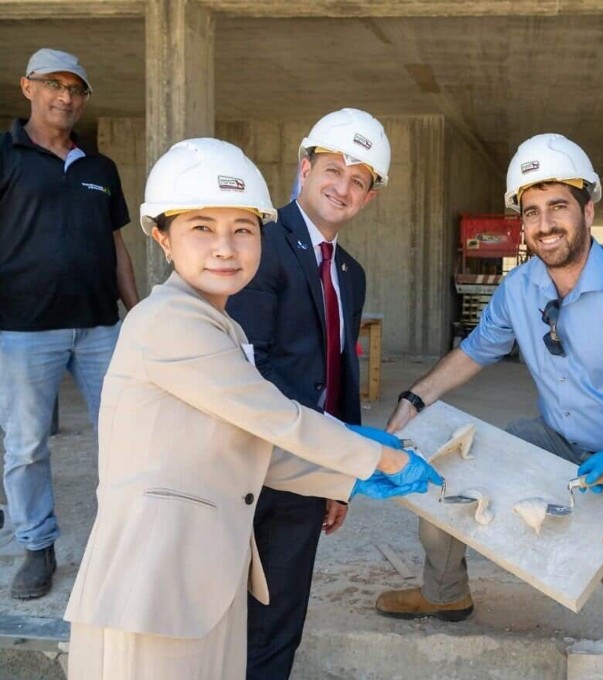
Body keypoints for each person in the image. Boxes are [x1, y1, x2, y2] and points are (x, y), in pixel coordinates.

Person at [62, 138, 440, 679]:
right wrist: (382, 460)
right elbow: (275, 417)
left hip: (198, 583)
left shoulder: (220, 323)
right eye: (201, 228)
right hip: (153, 587)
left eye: (242, 229)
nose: (225, 247)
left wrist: (342, 479)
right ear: (162, 238)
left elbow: (250, 444)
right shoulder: (170, 321)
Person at [375, 133, 603, 680]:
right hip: (557, 441)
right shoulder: (519, 288)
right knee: (440, 467)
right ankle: (444, 592)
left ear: (589, 209)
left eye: (559, 206)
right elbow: (474, 351)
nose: (545, 224)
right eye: (532, 211)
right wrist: (413, 400)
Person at [226, 108, 391, 678]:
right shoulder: (262, 243)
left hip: (307, 466)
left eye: (359, 179)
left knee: (280, 615)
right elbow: (250, 368)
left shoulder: (350, 271)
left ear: (368, 197)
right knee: (228, 610)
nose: (342, 186)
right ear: (304, 168)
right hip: (246, 459)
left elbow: (339, 371)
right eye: (333, 168)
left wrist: (339, 475)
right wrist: (326, 451)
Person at [0, 48, 139, 600]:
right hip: (23, 331)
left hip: (100, 330)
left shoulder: (99, 168)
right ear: (28, 87)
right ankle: (37, 545)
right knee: (25, 444)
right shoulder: (5, 156)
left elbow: (117, 248)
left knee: (126, 438)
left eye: (76, 89)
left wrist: (142, 314)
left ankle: (120, 541)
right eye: (54, 85)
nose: (66, 97)